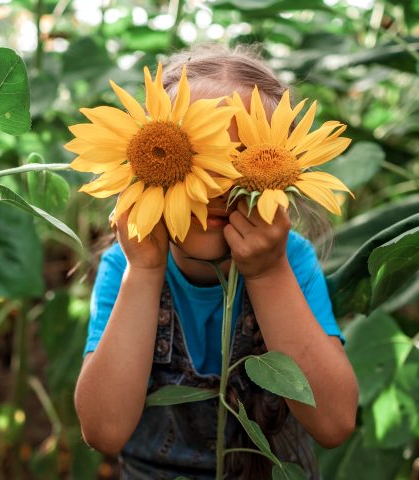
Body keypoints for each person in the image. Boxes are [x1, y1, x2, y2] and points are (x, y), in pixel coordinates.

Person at [74, 45, 359, 480]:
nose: (215, 184)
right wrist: (145, 272)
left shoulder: (292, 262)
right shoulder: (125, 267)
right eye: (195, 153)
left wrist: (267, 272)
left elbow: (335, 422)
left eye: (244, 159)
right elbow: (103, 430)